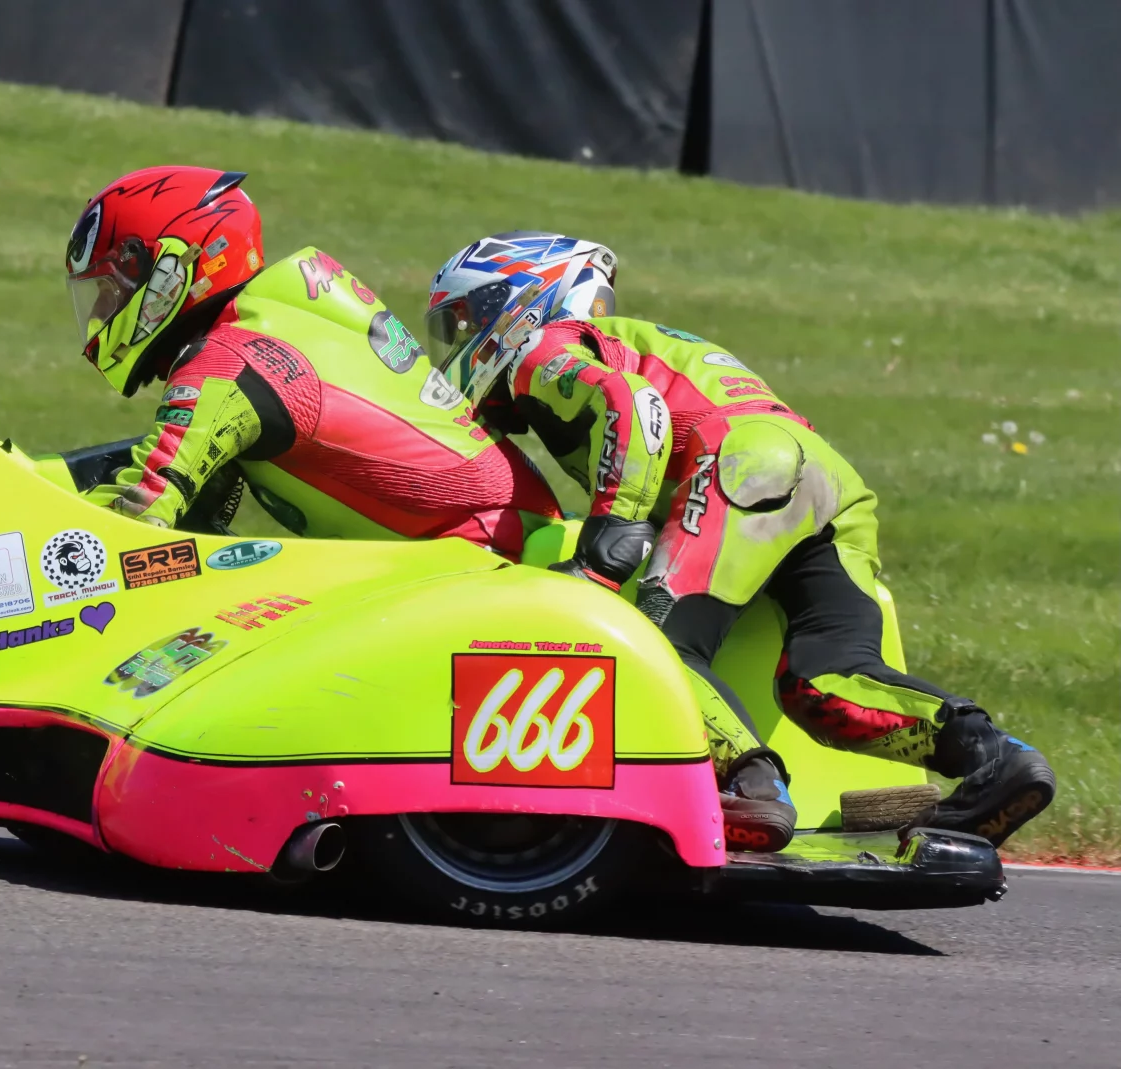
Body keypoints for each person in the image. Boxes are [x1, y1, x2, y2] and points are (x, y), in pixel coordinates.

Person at [422, 231, 1055, 851]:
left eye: (462, 317)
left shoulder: (542, 344)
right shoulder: (627, 339)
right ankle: (994, 758)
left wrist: (606, 542)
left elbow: (636, 407)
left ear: (518, 299)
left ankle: (752, 786)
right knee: (827, 679)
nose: (458, 340)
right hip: (828, 477)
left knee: (658, 642)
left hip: (744, 464)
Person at [63, 167, 559, 555]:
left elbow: (141, 511)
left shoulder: (229, 362)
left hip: (480, 556)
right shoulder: (278, 324)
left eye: (109, 294)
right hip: (500, 543)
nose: (102, 315)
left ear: (172, 268)